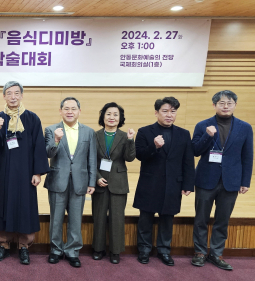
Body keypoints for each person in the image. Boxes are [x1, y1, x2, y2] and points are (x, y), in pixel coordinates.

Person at [0, 81, 50, 265]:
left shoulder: (32, 118)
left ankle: (24, 246)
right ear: (4, 96)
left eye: (16, 93)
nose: (13, 97)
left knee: (25, 206)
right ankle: (3, 244)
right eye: (9, 93)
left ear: (21, 95)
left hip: (25, 172)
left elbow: (39, 146)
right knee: (1, 204)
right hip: (4, 171)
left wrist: (37, 172)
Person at [191, 90, 253, 270]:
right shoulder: (203, 125)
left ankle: (216, 253)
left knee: (223, 219)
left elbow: (247, 156)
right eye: (221, 103)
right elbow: (195, 150)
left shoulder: (245, 127)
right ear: (214, 105)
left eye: (229, 103)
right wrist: (207, 136)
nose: (226, 106)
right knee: (201, 218)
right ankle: (200, 252)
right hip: (205, 178)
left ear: (235, 105)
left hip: (231, 180)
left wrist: (245, 181)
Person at [134, 97, 195, 266]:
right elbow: (138, 155)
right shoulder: (145, 131)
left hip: (173, 184)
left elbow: (188, 161)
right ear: (156, 113)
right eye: (165, 111)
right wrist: (154, 147)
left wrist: (188, 184)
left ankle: (164, 250)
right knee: (145, 219)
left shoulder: (184, 134)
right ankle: (144, 250)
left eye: (173, 111)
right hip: (150, 183)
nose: (169, 115)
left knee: (167, 219)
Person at [44, 97, 97, 268]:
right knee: (56, 218)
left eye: (73, 109)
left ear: (79, 111)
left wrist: (92, 181)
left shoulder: (89, 132)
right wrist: (56, 140)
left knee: (75, 219)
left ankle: (73, 251)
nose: (69, 112)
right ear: (60, 111)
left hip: (80, 181)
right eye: (66, 108)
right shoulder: (51, 130)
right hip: (58, 180)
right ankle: (56, 250)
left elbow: (92, 159)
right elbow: (48, 154)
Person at [92, 102, 136, 264]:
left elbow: (129, 158)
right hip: (100, 181)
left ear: (120, 118)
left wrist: (131, 140)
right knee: (99, 217)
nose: (112, 117)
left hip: (118, 182)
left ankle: (115, 251)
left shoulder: (125, 136)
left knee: (117, 218)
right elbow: (90, 160)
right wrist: (96, 176)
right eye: (108, 114)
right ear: (103, 116)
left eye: (115, 114)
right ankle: (98, 249)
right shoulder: (94, 135)